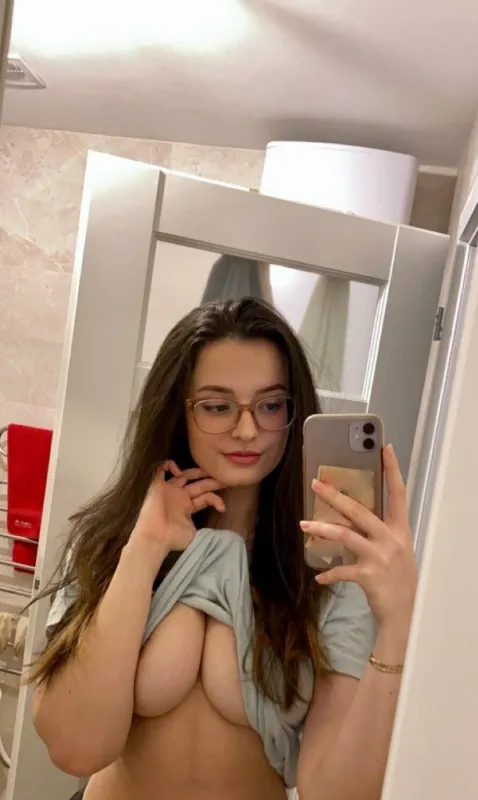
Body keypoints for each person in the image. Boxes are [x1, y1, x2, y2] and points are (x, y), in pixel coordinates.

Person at [29, 297, 417, 800]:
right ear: (178, 409)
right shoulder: (114, 539)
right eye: (217, 406)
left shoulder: (328, 568)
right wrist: (144, 549)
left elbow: (334, 793)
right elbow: (74, 748)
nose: (248, 430)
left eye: (271, 405)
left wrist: (398, 623)